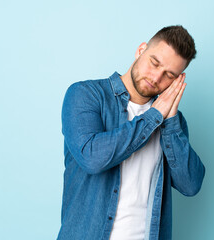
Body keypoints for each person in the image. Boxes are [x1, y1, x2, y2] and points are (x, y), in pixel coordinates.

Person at [57, 25, 205, 240]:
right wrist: (154, 116)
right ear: (141, 50)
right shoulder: (85, 95)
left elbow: (190, 185)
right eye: (154, 63)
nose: (155, 77)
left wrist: (170, 122)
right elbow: (92, 158)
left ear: (177, 80)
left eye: (169, 75)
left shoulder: (172, 121)